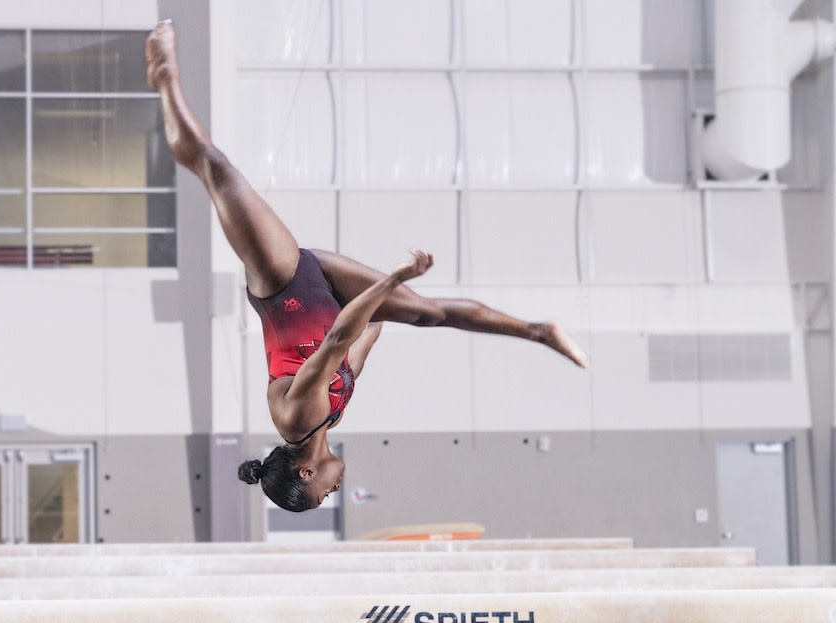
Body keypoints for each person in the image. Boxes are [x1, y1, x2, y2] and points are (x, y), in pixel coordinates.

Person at [145, 20, 590, 513]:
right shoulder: (329, 420)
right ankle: (539, 331)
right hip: (331, 292)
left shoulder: (296, 420)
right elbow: (356, 345)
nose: (333, 492)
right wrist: (391, 307)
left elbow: (336, 340)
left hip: (283, 281)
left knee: (216, 168)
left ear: (306, 472)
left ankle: (164, 77)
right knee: (427, 315)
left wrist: (394, 279)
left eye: (321, 493)